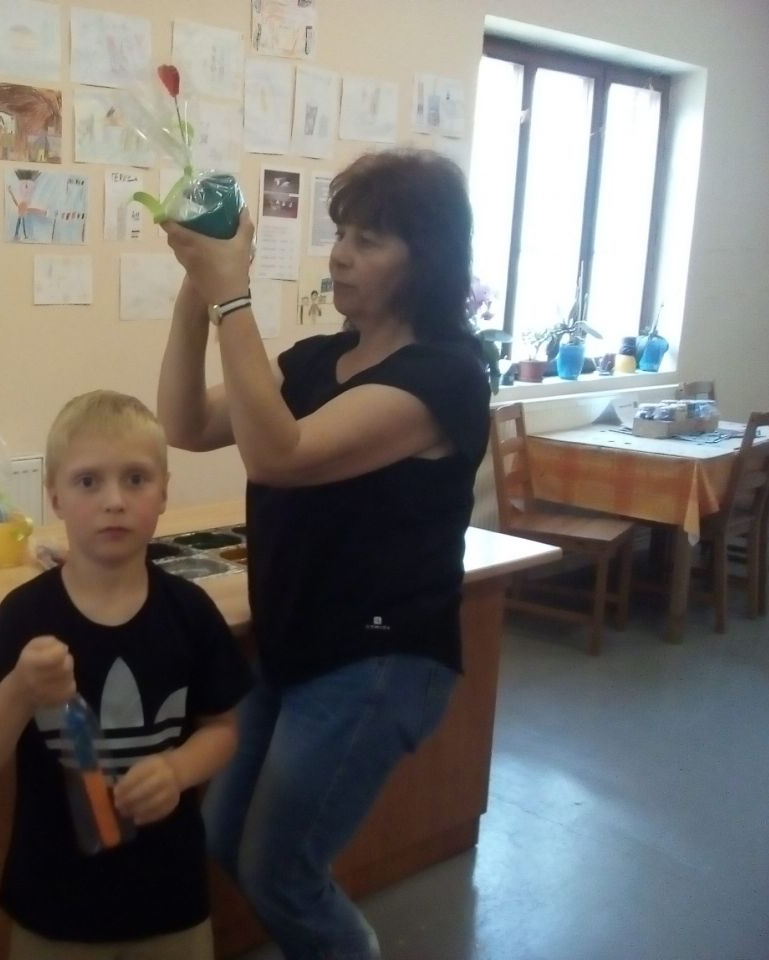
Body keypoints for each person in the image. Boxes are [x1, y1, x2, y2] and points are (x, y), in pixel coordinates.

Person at [156, 149, 491, 960]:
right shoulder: (314, 362)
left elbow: (281, 455)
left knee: (281, 873)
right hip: (294, 647)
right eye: (341, 233)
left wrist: (232, 294)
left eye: (369, 240)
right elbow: (186, 424)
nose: (340, 254)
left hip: (376, 662)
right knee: (225, 835)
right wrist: (197, 293)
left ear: (426, 260)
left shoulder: (444, 377)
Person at [0, 390, 252, 960]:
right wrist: (19, 689)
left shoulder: (189, 612)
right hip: (53, 911)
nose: (114, 501)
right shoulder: (24, 616)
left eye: (135, 479)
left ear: (164, 491)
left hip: (171, 904)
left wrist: (178, 769)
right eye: (88, 481)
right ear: (55, 497)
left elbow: (225, 728)